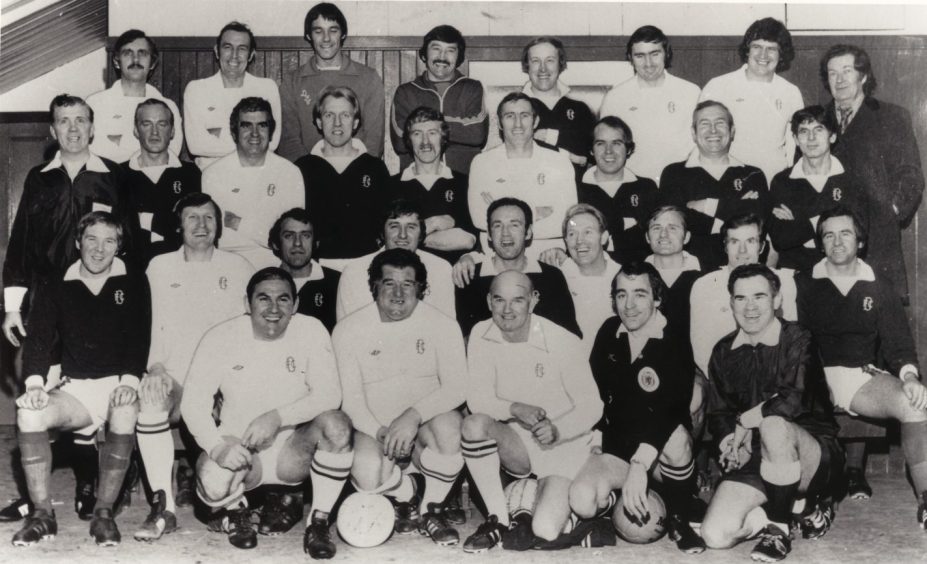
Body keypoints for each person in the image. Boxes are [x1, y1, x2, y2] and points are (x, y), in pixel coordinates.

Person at [2, 95, 131, 521]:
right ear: (52, 131)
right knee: (44, 394)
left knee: (92, 395)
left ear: (93, 128)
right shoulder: (40, 179)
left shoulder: (112, 176)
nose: (73, 129)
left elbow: (130, 247)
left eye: (80, 121)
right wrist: (12, 306)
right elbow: (20, 245)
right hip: (46, 305)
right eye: (63, 121)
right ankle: (34, 495)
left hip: (95, 307)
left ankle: (90, 485)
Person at [181, 268, 353, 556]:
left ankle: (319, 521)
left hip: (293, 449)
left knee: (337, 425)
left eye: (283, 299)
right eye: (263, 299)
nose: (274, 309)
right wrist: (217, 447)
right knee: (212, 478)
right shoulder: (221, 336)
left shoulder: (311, 329)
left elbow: (330, 395)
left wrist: (277, 417)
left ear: (296, 305)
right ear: (247, 304)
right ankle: (236, 511)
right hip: (244, 450)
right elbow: (193, 403)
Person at [12, 212, 149, 547]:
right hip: (79, 390)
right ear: (77, 242)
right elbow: (40, 339)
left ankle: (103, 514)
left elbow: (139, 337)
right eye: (91, 239)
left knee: (126, 409)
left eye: (109, 241)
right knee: (28, 413)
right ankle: (42, 515)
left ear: (119, 246)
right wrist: (34, 386)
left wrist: (129, 383)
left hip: (120, 382)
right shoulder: (56, 284)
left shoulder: (133, 281)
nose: (99, 249)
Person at [796, 206, 927, 529]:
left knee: (915, 402)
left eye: (845, 234)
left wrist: (910, 377)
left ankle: (926, 498)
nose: (837, 242)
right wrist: (809, 382)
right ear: (821, 243)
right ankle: (813, 499)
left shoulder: (878, 284)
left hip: (858, 378)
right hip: (809, 377)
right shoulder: (802, 283)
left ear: (860, 241)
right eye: (829, 235)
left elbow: (899, 344)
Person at [702, 264, 843, 562]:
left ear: (777, 300)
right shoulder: (723, 351)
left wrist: (745, 420)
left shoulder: (798, 338)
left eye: (759, 296)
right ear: (731, 303)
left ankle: (779, 530)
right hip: (756, 456)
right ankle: (788, 509)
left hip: (812, 453)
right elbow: (718, 412)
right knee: (716, 535)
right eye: (740, 298)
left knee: (773, 425)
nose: (750, 307)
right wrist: (729, 441)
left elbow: (794, 399)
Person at [138, 192, 254, 541]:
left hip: (222, 380)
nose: (201, 225)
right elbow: (149, 324)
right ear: (179, 225)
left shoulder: (238, 268)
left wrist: (230, 380)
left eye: (208, 218)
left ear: (219, 226)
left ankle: (234, 505)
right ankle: (164, 506)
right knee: (150, 401)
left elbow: (247, 332)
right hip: (173, 375)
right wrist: (155, 367)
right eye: (192, 217)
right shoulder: (159, 267)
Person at [461, 270, 603, 552]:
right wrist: (514, 408)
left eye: (518, 300)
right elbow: (478, 398)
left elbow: (592, 405)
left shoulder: (562, 340)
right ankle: (498, 520)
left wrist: (558, 429)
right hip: (517, 446)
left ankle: (593, 515)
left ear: (533, 300)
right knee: (474, 424)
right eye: (499, 300)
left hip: (562, 446)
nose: (507, 310)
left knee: (546, 529)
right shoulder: (480, 332)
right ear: (489, 301)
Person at [333, 249, 468, 546]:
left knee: (451, 429)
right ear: (374, 286)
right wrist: (381, 432)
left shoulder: (443, 325)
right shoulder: (348, 329)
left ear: (420, 288)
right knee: (367, 475)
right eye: (388, 283)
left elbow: (458, 387)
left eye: (407, 284)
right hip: (374, 429)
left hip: (423, 428)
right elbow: (351, 400)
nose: (397, 293)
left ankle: (429, 509)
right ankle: (406, 492)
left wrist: (413, 416)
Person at [576, 261, 704, 554]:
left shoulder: (674, 338)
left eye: (640, 294)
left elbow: (670, 409)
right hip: (618, 443)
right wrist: (596, 439)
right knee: (582, 502)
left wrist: (640, 464)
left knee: (678, 439)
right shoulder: (609, 331)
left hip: (658, 447)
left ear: (657, 299)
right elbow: (594, 391)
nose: (629, 305)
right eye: (621, 295)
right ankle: (616, 506)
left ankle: (679, 514)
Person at [821, 44, 924, 304]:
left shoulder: (891, 116)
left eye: (847, 71)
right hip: (827, 242)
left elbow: (910, 174)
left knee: (879, 325)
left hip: (877, 241)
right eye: (833, 73)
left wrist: (890, 209)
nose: (840, 79)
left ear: (863, 76)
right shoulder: (815, 120)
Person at [659, 100, 770, 270]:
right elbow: (675, 221)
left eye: (720, 123)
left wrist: (706, 205)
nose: (713, 130)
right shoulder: (674, 173)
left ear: (732, 131)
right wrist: (737, 208)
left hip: (742, 268)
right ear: (693, 133)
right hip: (690, 269)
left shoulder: (752, 174)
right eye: (704, 124)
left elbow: (758, 220)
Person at [690, 213, 798, 379]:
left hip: (773, 376)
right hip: (723, 377)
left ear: (761, 246)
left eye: (750, 241)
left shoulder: (784, 282)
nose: (742, 251)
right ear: (725, 246)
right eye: (734, 242)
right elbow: (701, 348)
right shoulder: (705, 286)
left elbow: (791, 339)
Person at [468, 92, 577, 256]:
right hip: (497, 255)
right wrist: (538, 212)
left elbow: (568, 221)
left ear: (536, 121)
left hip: (549, 254)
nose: (517, 124)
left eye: (524, 115)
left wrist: (502, 219)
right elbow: (478, 219)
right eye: (510, 116)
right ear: (499, 123)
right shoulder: (482, 163)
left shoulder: (559, 162)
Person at [202, 97, 304, 269]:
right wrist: (268, 228)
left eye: (262, 125)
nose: (255, 133)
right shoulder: (213, 174)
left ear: (271, 132)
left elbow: (293, 237)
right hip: (228, 260)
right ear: (234, 132)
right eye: (246, 125)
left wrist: (238, 222)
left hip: (277, 261)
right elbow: (220, 234)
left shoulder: (290, 173)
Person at [454, 197, 580, 337]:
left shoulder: (551, 276)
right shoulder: (469, 276)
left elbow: (569, 336)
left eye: (514, 225)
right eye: (497, 225)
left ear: (528, 232)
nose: (505, 233)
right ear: (489, 235)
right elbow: (463, 339)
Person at [296, 86, 391, 266]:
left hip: (366, 265)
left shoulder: (374, 168)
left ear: (355, 123)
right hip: (317, 267)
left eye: (345, 115)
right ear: (318, 121)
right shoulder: (302, 168)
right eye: (329, 115)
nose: (337, 123)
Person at [700, 18, 804, 182]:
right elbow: (701, 137)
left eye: (771, 49)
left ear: (781, 54)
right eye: (757, 47)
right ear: (747, 50)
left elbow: (793, 142)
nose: (763, 55)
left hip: (773, 178)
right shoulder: (719, 86)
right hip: (727, 179)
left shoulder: (790, 92)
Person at [279, 2, 385, 160]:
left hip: (356, 175)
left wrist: (355, 174)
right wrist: (312, 174)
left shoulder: (369, 78)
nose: (326, 38)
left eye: (333, 30)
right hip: (309, 177)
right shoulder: (292, 82)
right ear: (309, 36)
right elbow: (289, 141)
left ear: (343, 34)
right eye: (318, 31)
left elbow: (374, 141)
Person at [768, 105, 866, 272]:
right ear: (796, 140)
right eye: (804, 131)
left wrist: (800, 224)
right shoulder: (782, 181)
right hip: (794, 272)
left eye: (818, 129)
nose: (811, 138)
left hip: (840, 272)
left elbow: (858, 234)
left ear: (832, 136)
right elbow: (781, 238)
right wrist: (829, 220)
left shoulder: (851, 180)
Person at [599, 25, 700, 181]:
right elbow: (607, 147)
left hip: (680, 182)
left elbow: (700, 143)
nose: (648, 63)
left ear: (666, 54)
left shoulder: (690, 92)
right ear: (630, 59)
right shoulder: (615, 97)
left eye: (654, 54)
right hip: (633, 184)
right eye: (640, 56)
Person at [183, 21, 281, 170]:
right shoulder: (197, 89)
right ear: (217, 51)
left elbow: (272, 143)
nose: (234, 56)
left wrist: (218, 134)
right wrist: (251, 140)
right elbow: (196, 145)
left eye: (242, 49)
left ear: (251, 54)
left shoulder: (266, 88)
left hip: (255, 173)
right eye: (227, 47)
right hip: (210, 175)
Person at [390, 25, 488, 175]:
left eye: (450, 51)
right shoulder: (405, 92)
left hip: (463, 179)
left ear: (459, 57)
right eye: (436, 49)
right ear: (424, 55)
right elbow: (400, 141)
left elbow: (477, 134)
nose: (442, 56)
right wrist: (457, 125)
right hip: (416, 180)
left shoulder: (472, 88)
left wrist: (422, 126)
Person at [336, 200, 455, 321]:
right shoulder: (354, 272)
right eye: (394, 226)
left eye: (411, 227)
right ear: (383, 232)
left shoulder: (441, 269)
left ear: (421, 233)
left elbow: (446, 329)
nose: (402, 235)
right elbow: (347, 332)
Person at [390, 107, 477, 264]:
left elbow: (467, 240)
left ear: (443, 138)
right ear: (409, 140)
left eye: (432, 133)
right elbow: (388, 241)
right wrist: (435, 223)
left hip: (452, 277)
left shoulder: (463, 183)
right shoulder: (391, 185)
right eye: (417, 134)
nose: (425, 142)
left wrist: (410, 236)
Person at [121, 98, 201, 265]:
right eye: (146, 124)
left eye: (162, 124)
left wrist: (143, 220)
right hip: (133, 268)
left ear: (172, 131)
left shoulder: (191, 174)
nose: (154, 132)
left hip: (180, 267)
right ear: (136, 130)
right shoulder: (119, 174)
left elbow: (197, 226)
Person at [87, 29, 183, 163]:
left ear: (153, 63)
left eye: (142, 53)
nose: (136, 59)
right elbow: (93, 150)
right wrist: (145, 149)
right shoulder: (95, 103)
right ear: (116, 61)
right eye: (128, 53)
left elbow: (173, 151)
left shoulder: (168, 105)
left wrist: (120, 141)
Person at [538, 203, 621, 353]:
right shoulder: (557, 278)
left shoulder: (624, 277)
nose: (579, 241)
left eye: (587, 232)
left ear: (604, 237)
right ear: (565, 242)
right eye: (572, 234)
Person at [577, 116, 658, 264]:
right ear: (591, 150)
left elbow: (651, 238)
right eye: (601, 143)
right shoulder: (576, 187)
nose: (608, 151)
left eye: (616, 143)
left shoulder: (646, 187)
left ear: (628, 149)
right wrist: (627, 226)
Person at [520, 36, 596, 176]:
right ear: (527, 66)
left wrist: (550, 135)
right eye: (535, 61)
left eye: (550, 60)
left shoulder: (580, 109)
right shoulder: (516, 108)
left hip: (573, 192)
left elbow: (590, 153)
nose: (543, 68)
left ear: (560, 64)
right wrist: (572, 150)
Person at [269, 208, 339, 333]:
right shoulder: (264, 283)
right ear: (276, 244)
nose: (297, 243)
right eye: (289, 236)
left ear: (316, 243)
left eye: (305, 235)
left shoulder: (337, 283)